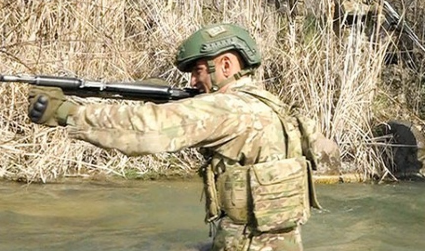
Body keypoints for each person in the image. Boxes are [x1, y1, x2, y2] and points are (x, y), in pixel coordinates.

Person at [26, 23, 319, 251]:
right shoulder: (274, 106)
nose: (192, 81)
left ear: (227, 66)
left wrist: (67, 113)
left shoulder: (227, 108)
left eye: (198, 70)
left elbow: (145, 131)